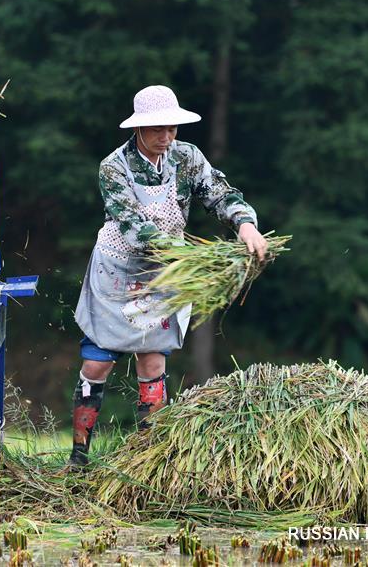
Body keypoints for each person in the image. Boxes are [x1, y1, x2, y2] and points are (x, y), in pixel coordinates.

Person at [69, 85, 268, 466]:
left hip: (165, 272)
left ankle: (148, 457)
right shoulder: (114, 167)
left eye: (172, 128)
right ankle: (79, 457)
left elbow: (219, 193)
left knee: (153, 362)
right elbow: (133, 227)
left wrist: (245, 224)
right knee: (97, 363)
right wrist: (188, 254)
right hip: (118, 268)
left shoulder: (187, 157)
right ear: (139, 130)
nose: (166, 137)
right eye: (157, 129)